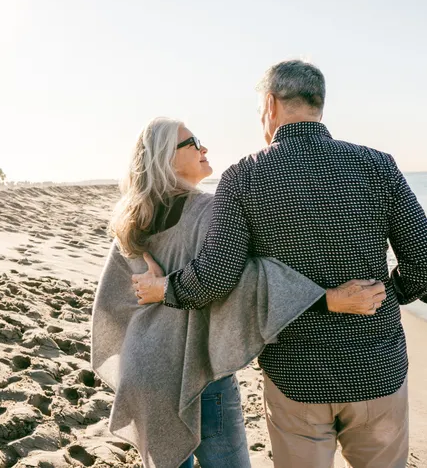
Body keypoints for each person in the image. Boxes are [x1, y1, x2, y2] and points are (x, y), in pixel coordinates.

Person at [132, 61, 427, 468]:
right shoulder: (377, 165)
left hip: (296, 375)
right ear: (320, 104)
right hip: (378, 367)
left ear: (270, 103)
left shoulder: (243, 176)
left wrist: (167, 289)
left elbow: (216, 278)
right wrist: (389, 293)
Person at [91, 116, 387, 468]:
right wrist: (328, 298)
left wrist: (153, 302)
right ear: (165, 157)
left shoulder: (132, 218)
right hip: (195, 375)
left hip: (143, 371)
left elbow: (110, 304)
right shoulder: (210, 210)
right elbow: (246, 279)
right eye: (192, 142)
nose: (204, 148)